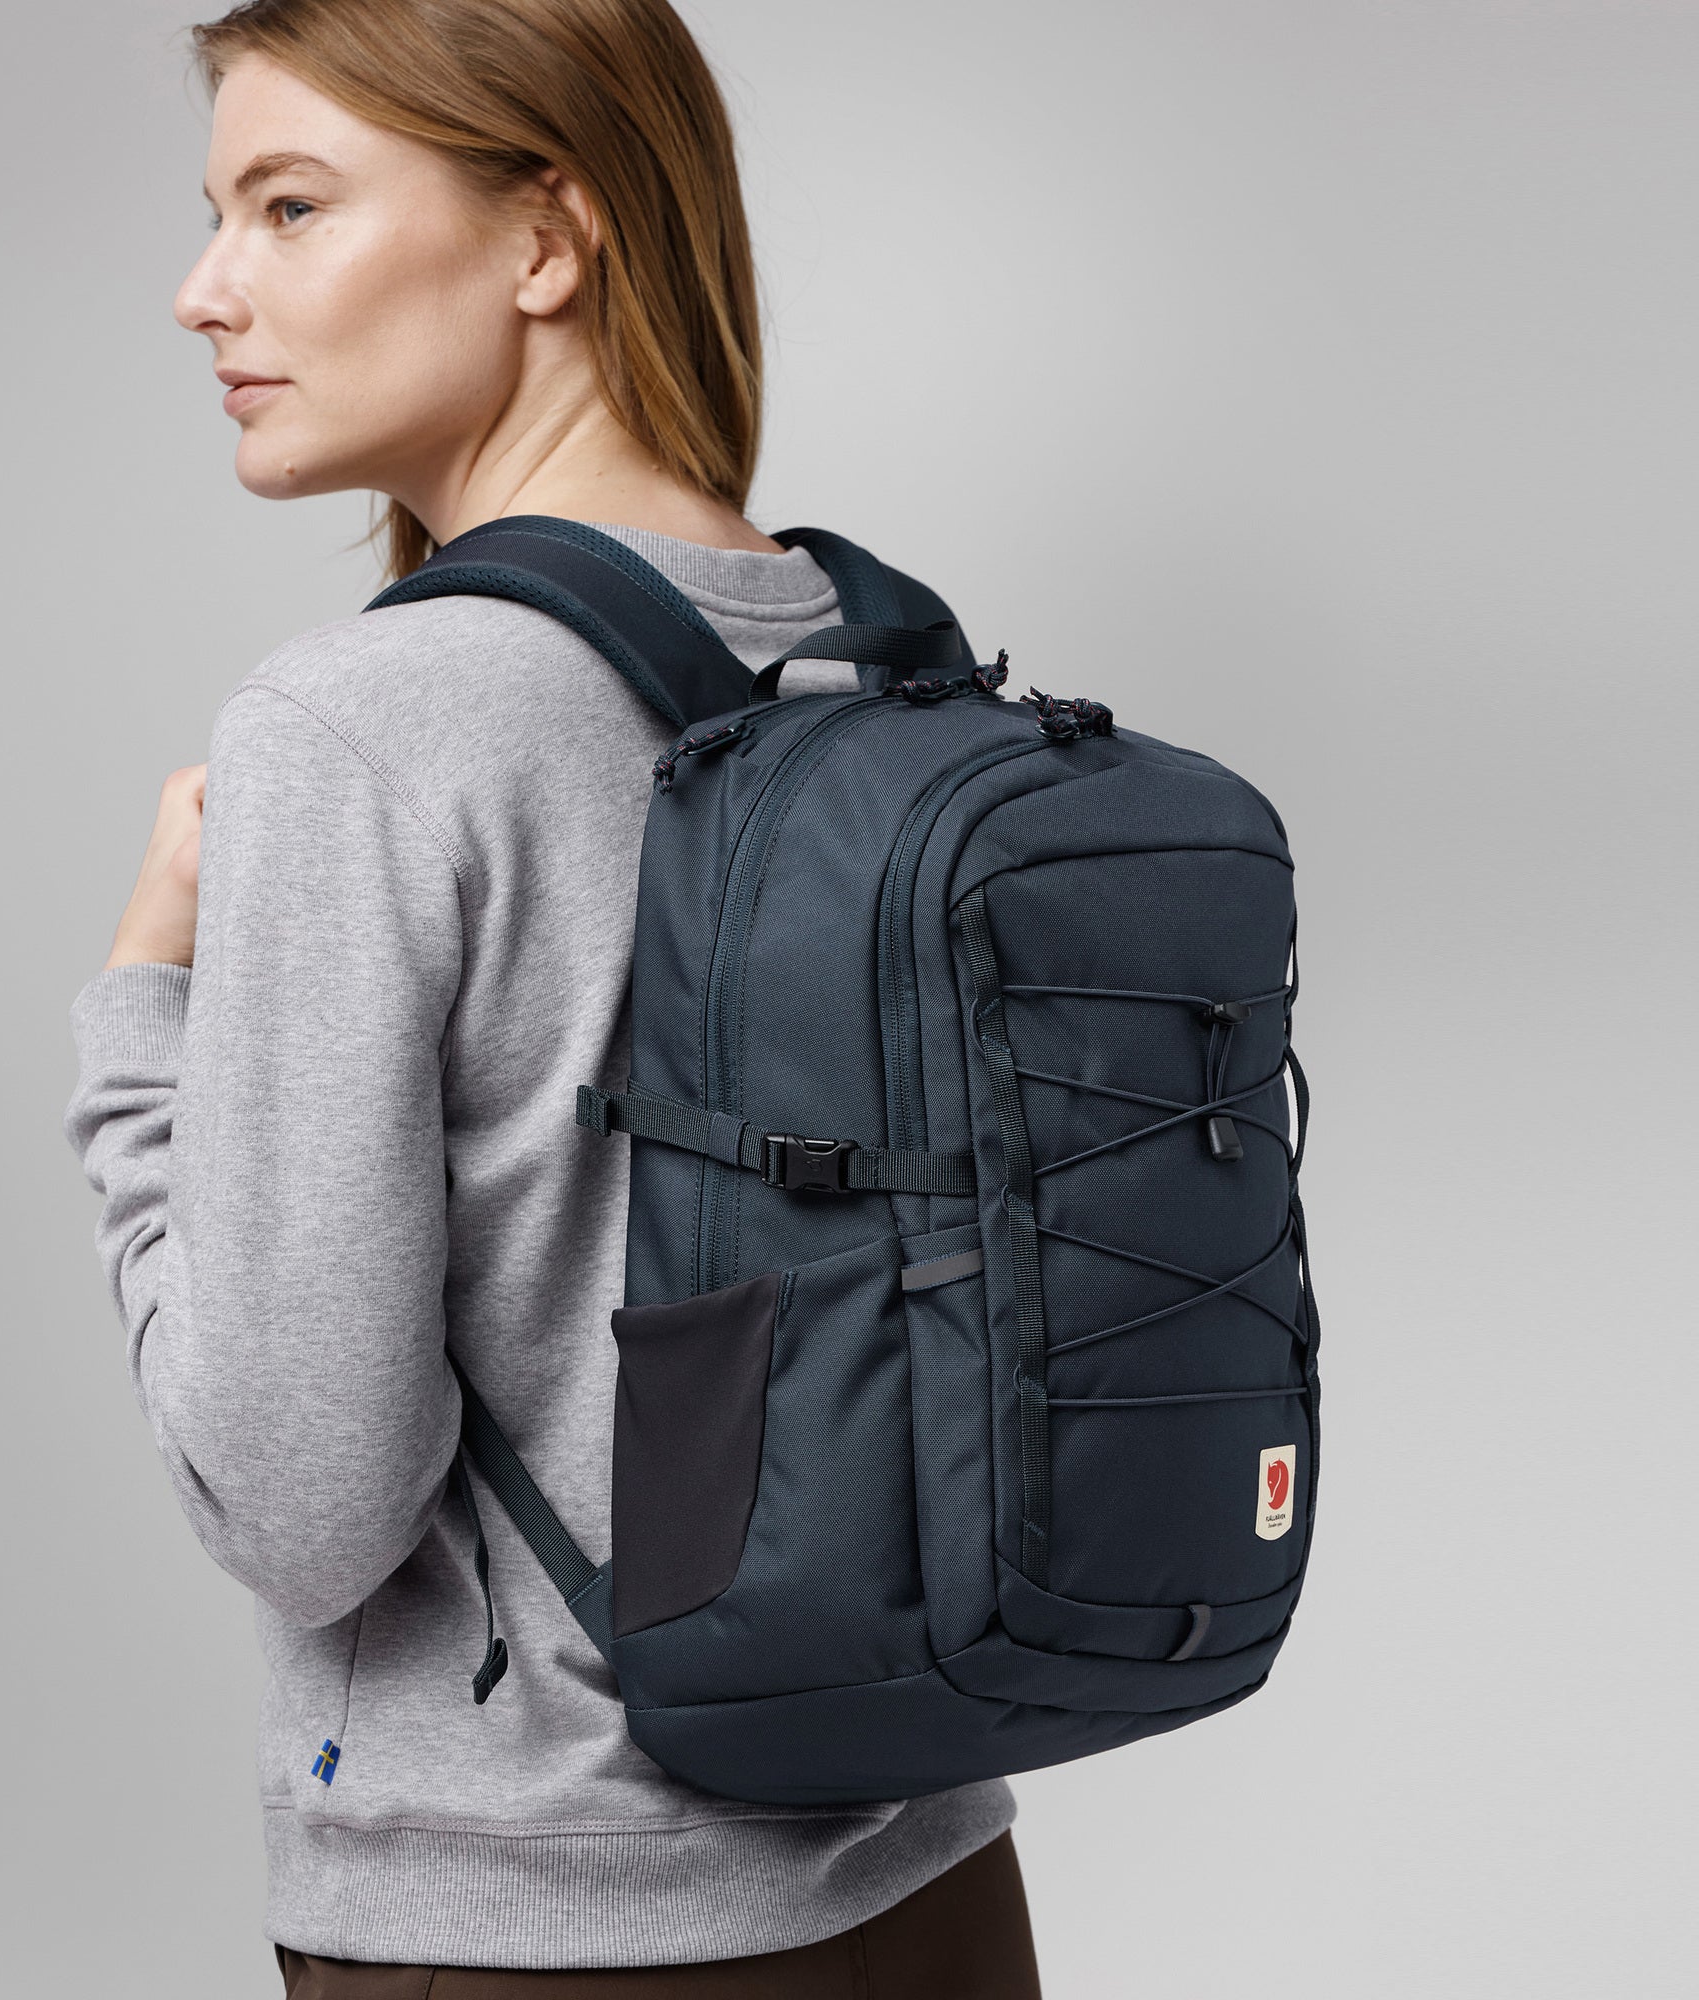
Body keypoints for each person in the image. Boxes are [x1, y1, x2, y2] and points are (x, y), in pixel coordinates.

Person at [61, 1, 1041, 1990]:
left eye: (289, 206)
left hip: (531, 1917)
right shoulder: (873, 657)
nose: (203, 289)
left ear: (544, 238)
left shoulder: (358, 728)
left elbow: (302, 1503)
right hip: (931, 1873)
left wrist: (144, 1010)